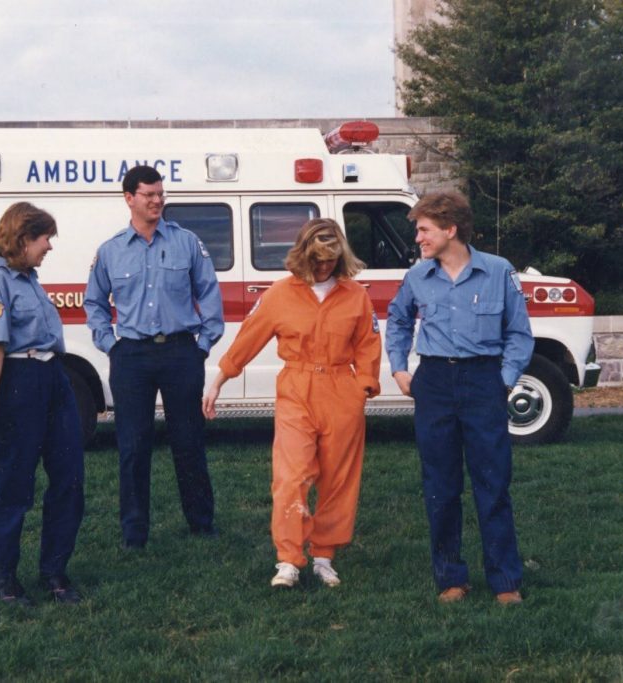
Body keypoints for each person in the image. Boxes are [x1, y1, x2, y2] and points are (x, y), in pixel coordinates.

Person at [202, 218, 381, 588]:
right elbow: (249, 338)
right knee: (290, 476)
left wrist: (364, 386)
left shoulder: (355, 295)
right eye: (316, 260)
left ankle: (324, 556)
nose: (323, 267)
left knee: (338, 480)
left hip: (341, 391)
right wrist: (219, 380)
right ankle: (289, 559)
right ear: (303, 255)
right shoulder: (280, 294)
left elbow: (367, 343)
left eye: (330, 261)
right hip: (296, 388)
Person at [386, 191, 533, 606]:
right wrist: (400, 369)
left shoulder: (498, 271)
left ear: (451, 230)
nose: (418, 238)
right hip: (434, 383)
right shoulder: (417, 276)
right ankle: (452, 577)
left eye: (424, 229)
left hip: (484, 381)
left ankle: (505, 581)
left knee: (493, 483)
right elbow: (396, 321)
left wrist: (502, 380)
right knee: (440, 486)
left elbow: (519, 334)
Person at [84, 165, 224, 549]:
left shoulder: (186, 243)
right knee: (132, 445)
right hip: (131, 357)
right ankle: (134, 533)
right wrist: (110, 344)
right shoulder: (110, 251)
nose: (157, 201)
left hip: (181, 353)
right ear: (129, 198)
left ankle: (201, 522)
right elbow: (94, 302)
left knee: (189, 440)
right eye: (149, 195)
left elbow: (209, 294)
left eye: (161, 194)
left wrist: (202, 346)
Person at [0, 201, 84, 606]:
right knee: (14, 485)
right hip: (19, 384)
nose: (49, 246)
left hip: (54, 379)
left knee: (69, 478)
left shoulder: (29, 278)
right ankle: (3, 579)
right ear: (23, 238)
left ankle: (55, 572)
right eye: (44, 237)